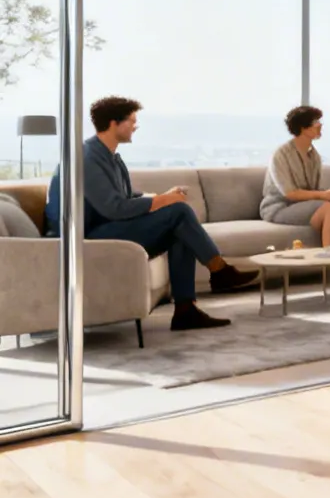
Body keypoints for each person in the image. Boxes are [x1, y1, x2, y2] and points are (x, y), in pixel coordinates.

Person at [43, 96, 261, 330]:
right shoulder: (87, 158)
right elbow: (114, 208)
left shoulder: (109, 156)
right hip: (87, 237)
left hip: (104, 226)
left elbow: (124, 196)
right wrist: (164, 200)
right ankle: (220, 270)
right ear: (114, 123)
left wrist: (158, 196)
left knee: (180, 228)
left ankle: (186, 311)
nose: (136, 126)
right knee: (179, 211)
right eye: (132, 121)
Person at [262, 106, 330, 247]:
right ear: (303, 128)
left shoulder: (314, 156)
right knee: (328, 208)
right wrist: (324, 196)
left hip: (304, 206)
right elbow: (290, 193)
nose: (320, 125)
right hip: (280, 208)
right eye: (316, 121)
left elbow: (317, 190)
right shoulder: (281, 155)